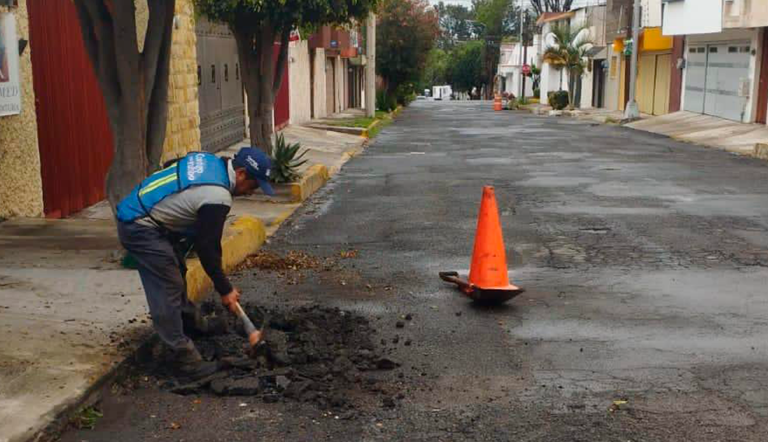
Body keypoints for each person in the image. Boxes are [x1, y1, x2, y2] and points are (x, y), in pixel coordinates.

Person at [116, 147, 275, 380]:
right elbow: (207, 250)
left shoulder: (211, 162)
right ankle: (183, 359)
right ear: (240, 173)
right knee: (167, 286)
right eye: (253, 186)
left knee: (176, 270)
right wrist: (226, 290)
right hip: (139, 225)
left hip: (149, 218)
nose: (252, 192)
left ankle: (191, 324)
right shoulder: (217, 196)